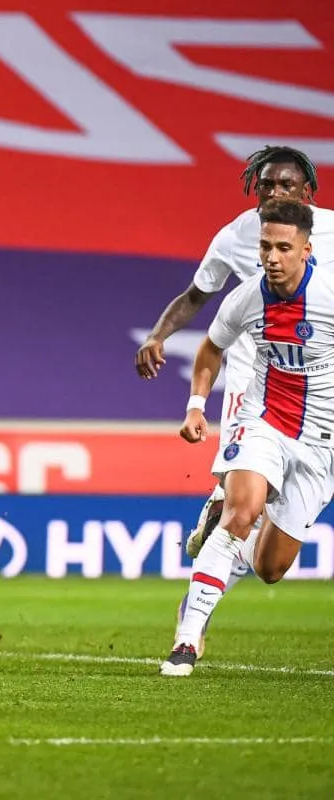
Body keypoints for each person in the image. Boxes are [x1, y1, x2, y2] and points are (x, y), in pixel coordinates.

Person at [135, 146, 334, 658]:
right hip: (255, 377)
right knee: (241, 505)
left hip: (321, 390)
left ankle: (223, 531)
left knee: (268, 561)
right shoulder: (235, 237)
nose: (274, 194)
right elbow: (196, 298)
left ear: (307, 194)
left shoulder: (329, 234)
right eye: (265, 186)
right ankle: (191, 625)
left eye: (285, 186)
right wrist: (159, 336)